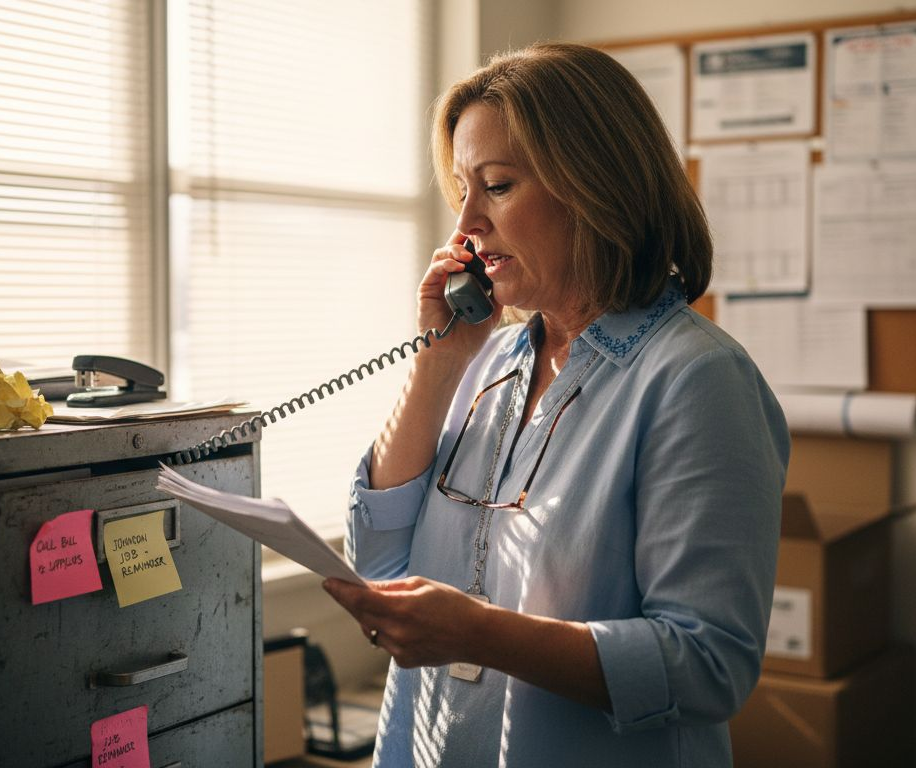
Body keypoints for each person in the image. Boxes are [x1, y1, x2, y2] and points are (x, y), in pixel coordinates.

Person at [322, 42, 790, 767]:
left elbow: (708, 665)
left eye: (498, 186)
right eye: (461, 189)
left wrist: (480, 632)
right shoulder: (487, 362)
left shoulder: (697, 380)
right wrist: (437, 361)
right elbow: (380, 568)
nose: (466, 223)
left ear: (594, 187)